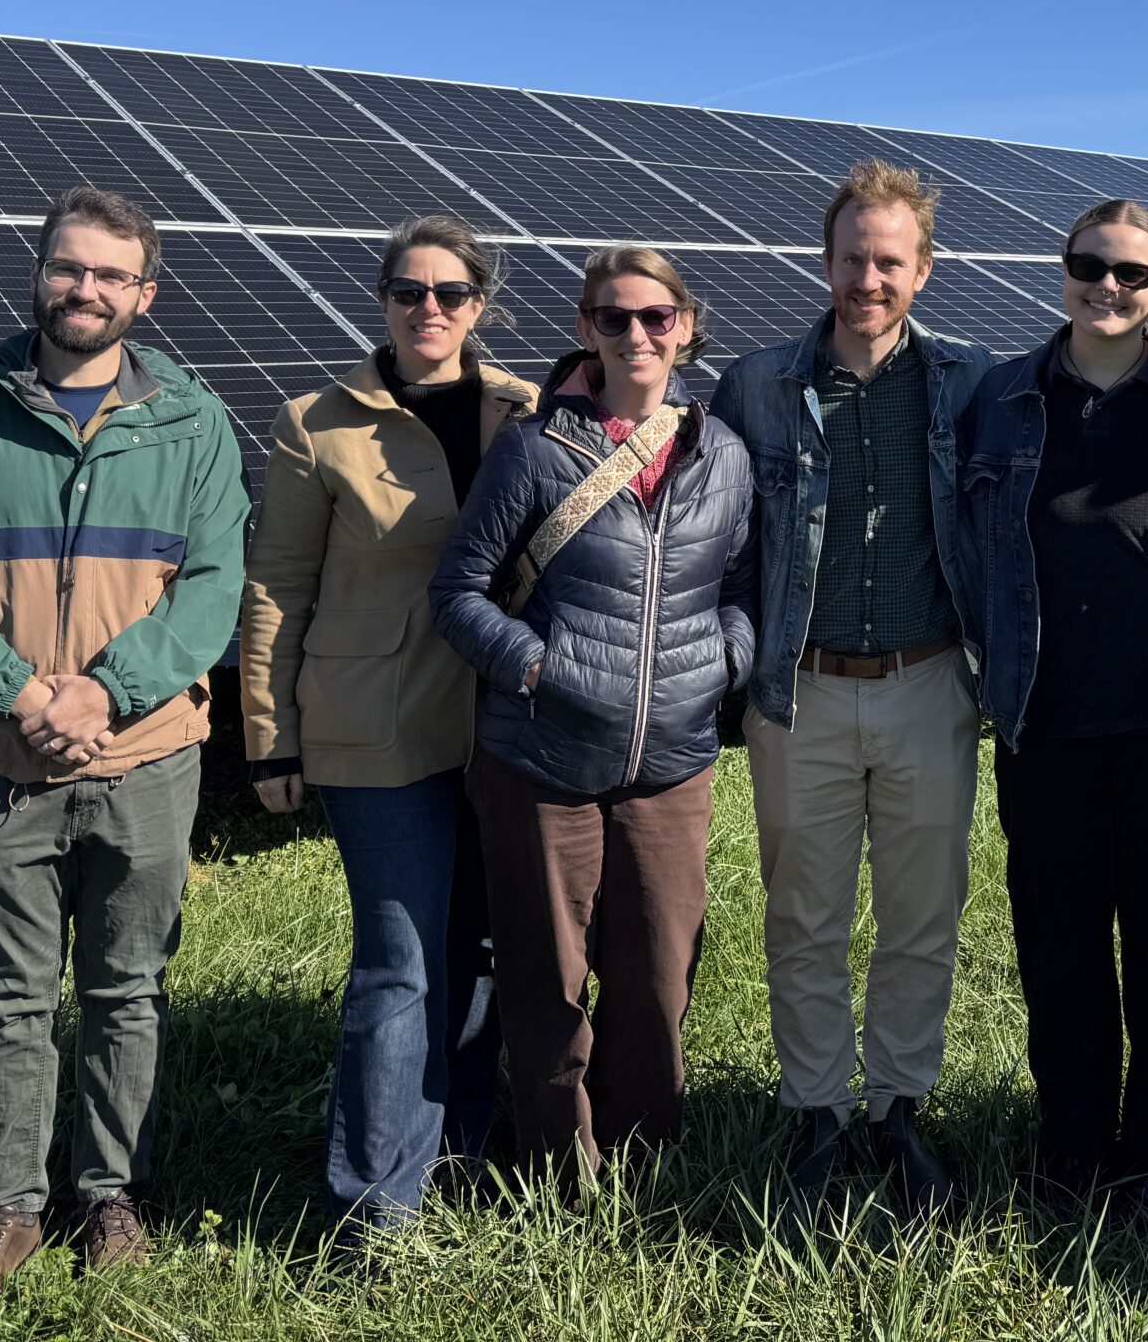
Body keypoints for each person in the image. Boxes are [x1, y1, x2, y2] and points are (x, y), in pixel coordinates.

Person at [0, 187, 248, 1321]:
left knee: (129, 989)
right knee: (6, 997)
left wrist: (105, 691)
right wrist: (24, 692)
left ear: (145, 294)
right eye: (67, 269)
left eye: (110, 276)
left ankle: (108, 1193)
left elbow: (215, 589)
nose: (85, 291)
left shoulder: (191, 422)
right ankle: (5, 1210)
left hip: (147, 760)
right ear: (40, 274)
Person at [956, 200, 1148, 1216]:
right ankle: (1073, 1143)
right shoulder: (1003, 398)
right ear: (1063, 269)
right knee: (1060, 950)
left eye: (1134, 273)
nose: (1110, 286)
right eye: (1091, 265)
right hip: (1045, 726)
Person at [238, 216, 539, 1231]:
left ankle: (458, 1149)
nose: (430, 311)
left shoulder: (527, 412)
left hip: (501, 722)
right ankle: (373, 1202)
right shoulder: (316, 425)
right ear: (381, 301)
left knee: (486, 950)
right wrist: (270, 734)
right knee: (401, 959)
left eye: (451, 293)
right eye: (409, 292)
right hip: (374, 725)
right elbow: (277, 584)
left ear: (480, 305)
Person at [707, 160, 995, 1224]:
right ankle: (817, 1110)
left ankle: (901, 1108)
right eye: (850, 259)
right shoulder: (758, 386)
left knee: (924, 913)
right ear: (823, 264)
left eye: (888, 261)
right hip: (802, 690)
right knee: (804, 914)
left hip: (930, 684)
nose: (866, 279)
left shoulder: (973, 385)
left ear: (921, 268)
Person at [428, 244, 754, 1175]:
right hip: (541, 760)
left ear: (686, 326)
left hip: (675, 761)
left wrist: (724, 663)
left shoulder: (720, 454)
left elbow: (745, 582)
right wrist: (533, 668)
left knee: (658, 976)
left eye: (657, 317)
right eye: (615, 318)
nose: (638, 334)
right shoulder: (535, 450)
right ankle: (557, 1171)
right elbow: (457, 592)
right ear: (585, 331)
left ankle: (643, 1159)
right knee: (546, 981)